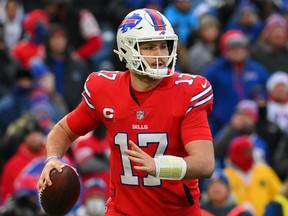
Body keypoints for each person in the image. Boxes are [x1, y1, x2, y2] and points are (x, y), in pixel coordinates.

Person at [37, 8, 215, 216]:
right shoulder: (104, 89)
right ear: (127, 48)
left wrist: (159, 166)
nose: (160, 55)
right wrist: (53, 159)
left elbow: (205, 163)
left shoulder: (188, 91)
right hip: (122, 211)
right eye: (149, 47)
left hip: (177, 212)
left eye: (163, 46)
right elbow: (64, 131)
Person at [224, 135, 281, 216]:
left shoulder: (264, 170)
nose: (250, 155)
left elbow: (278, 195)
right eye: (246, 151)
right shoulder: (225, 175)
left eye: (251, 151)